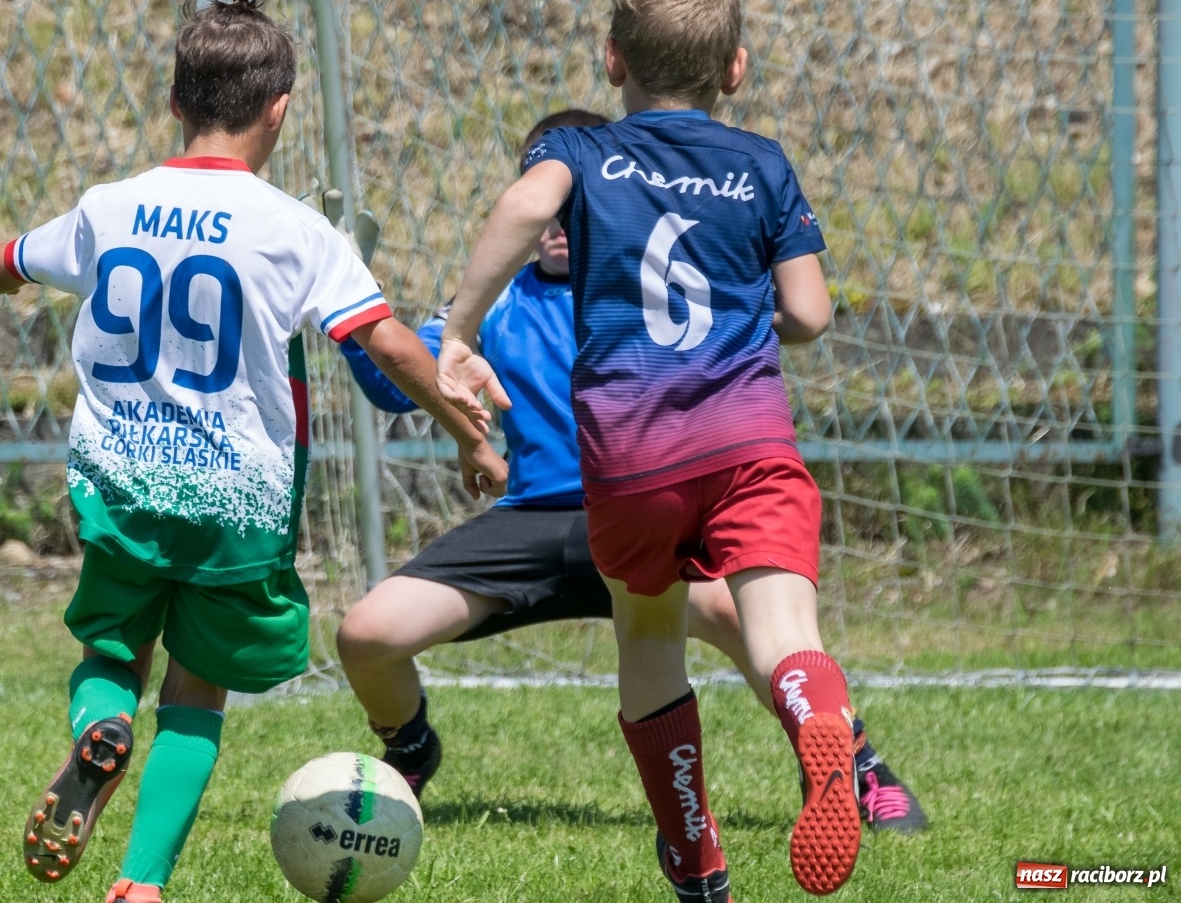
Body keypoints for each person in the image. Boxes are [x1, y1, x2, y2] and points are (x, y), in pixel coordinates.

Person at [0, 0, 506, 903]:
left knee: (110, 654)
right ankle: (140, 883)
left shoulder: (107, 207)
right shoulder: (297, 232)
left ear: (176, 101)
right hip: (235, 507)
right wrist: (469, 434)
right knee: (197, 692)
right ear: (281, 110)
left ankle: (102, 725)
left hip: (120, 486)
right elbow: (388, 345)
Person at [337, 109, 926, 843]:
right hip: (532, 523)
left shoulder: (645, 296)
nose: (553, 221)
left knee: (761, 632)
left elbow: (777, 322)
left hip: (643, 507)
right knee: (365, 634)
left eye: (566, 205)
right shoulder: (495, 306)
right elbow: (402, 382)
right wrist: (356, 310)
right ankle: (412, 748)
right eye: (539, 200)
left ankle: (854, 763)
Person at [437, 0, 867, 899]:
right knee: (783, 630)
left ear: (612, 60)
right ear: (737, 68)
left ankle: (693, 848)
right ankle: (816, 723)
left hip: (631, 454)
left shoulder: (582, 154)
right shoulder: (761, 163)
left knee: (647, 631)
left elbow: (522, 206)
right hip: (749, 440)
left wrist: (461, 329)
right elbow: (810, 314)